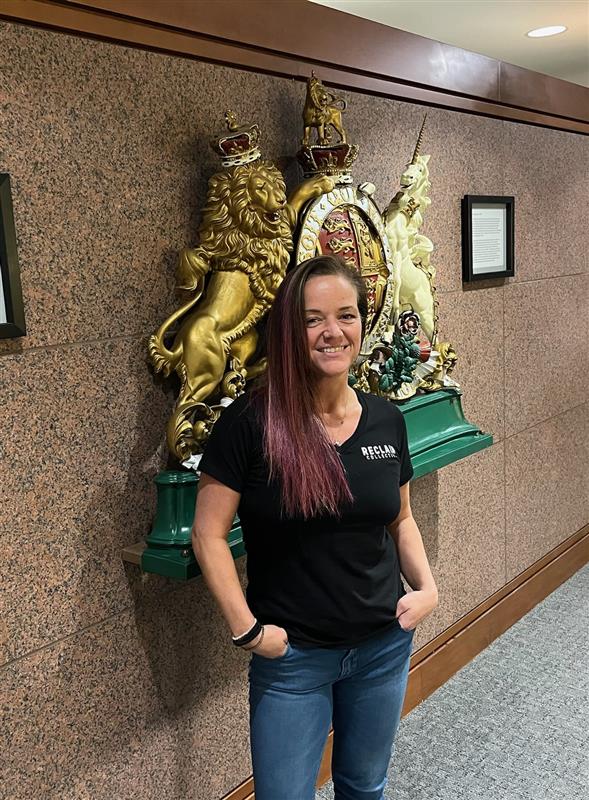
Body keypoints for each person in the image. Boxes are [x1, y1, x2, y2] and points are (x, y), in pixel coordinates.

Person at [193, 255, 438, 800]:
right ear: (289, 330)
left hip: (382, 646)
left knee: (364, 787)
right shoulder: (250, 423)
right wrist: (248, 631)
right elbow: (207, 535)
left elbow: (400, 517)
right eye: (313, 319)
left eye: (346, 315)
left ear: (362, 322)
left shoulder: (385, 419)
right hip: (293, 659)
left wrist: (427, 589)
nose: (333, 331)